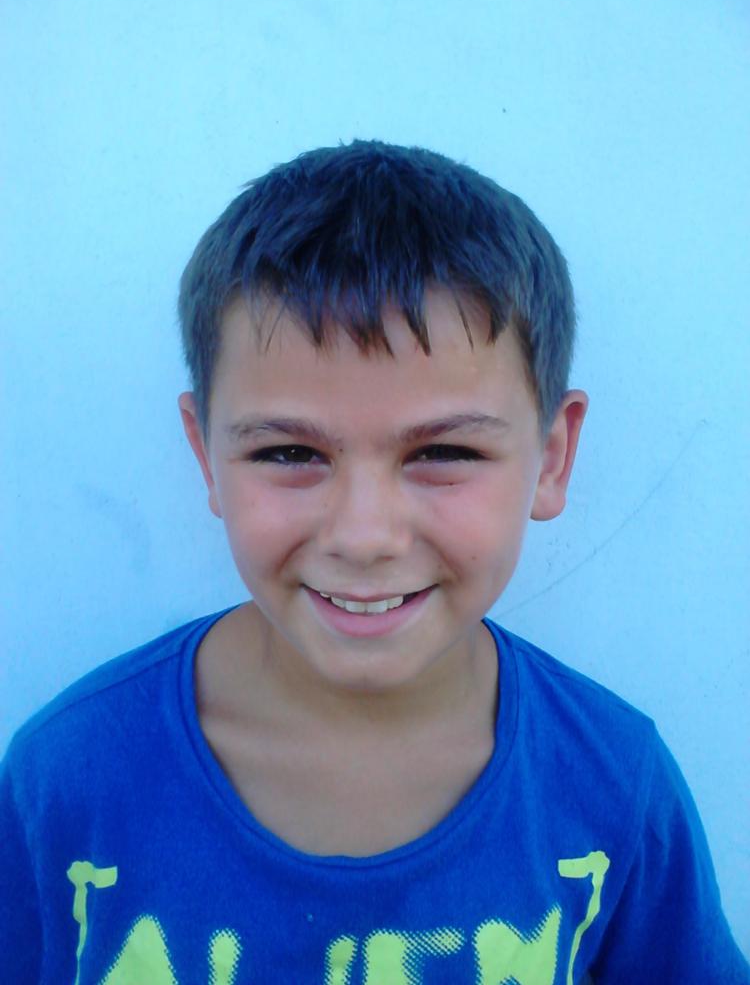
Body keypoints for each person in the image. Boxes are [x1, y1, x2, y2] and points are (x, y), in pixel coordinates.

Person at [1, 140, 747, 984]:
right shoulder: (68, 778)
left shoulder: (613, 787)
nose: (363, 535)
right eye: (288, 453)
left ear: (551, 458)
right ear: (206, 456)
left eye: (445, 452)